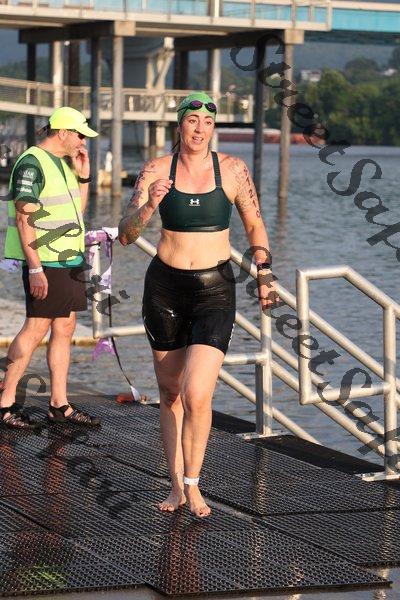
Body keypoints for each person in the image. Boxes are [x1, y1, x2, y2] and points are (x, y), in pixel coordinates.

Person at [118, 92, 278, 517]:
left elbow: (254, 223)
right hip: (165, 290)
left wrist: (264, 273)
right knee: (170, 391)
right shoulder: (156, 170)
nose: (200, 129)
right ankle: (174, 485)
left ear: (213, 128)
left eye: (208, 123)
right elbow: (126, 234)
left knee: (197, 393)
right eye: (192, 121)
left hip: (214, 291)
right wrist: (150, 204)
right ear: (180, 126)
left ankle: (194, 483)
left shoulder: (233, 170)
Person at [1, 106, 101, 429]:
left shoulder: (63, 163)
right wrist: (34, 269)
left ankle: (59, 404)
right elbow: (24, 218)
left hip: (69, 260)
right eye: (80, 135)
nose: (83, 142)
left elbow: (77, 212)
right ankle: (5, 403)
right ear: (63, 132)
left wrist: (83, 175)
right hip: (45, 261)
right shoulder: (31, 163)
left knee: (65, 327)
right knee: (35, 329)